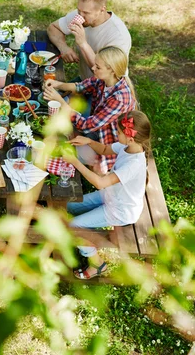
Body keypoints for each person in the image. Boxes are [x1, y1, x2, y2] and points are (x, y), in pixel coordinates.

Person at [64, 110, 152, 279]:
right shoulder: (128, 146)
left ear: (131, 138)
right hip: (110, 196)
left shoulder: (134, 165)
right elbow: (104, 149)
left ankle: (98, 264)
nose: (115, 133)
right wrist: (88, 141)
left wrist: (75, 162)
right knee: (66, 205)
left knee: (74, 227)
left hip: (121, 210)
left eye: (118, 132)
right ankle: (85, 235)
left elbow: (100, 182)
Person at [43, 46, 136, 174]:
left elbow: (86, 126)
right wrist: (57, 84)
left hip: (107, 144)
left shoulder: (120, 99)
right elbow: (81, 87)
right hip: (95, 129)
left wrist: (59, 100)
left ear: (112, 70)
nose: (93, 68)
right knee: (61, 125)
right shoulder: (104, 80)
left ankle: (98, 167)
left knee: (66, 150)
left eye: (98, 67)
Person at [47, 0, 131, 80]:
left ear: (102, 10)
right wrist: (63, 48)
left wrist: (83, 43)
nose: (80, 16)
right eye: (79, 10)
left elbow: (107, 75)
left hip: (107, 90)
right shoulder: (81, 15)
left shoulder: (118, 36)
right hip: (86, 82)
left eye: (86, 13)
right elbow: (53, 28)